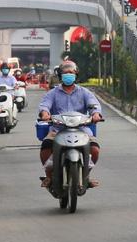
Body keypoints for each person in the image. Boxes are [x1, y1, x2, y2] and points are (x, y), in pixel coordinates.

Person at [37, 60, 104, 188]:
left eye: (71, 73)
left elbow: (94, 104)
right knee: (46, 146)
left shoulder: (84, 92)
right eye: (66, 73)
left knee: (94, 149)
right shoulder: (53, 93)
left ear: (76, 75)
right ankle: (49, 176)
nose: (68, 75)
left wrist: (96, 114)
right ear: (61, 75)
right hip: (57, 129)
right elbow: (45, 105)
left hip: (82, 129)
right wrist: (45, 113)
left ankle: (86, 175)